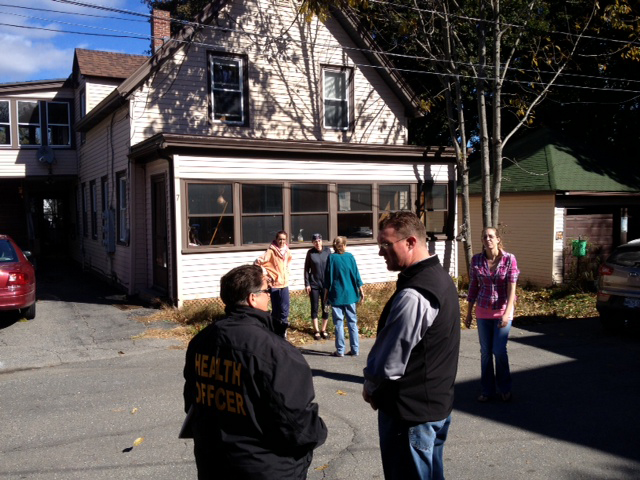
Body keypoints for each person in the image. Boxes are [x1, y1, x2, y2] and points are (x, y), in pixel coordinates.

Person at [183, 264, 328, 480]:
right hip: (265, 467)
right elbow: (296, 422)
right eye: (266, 291)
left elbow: (192, 401)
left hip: (213, 462)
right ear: (252, 299)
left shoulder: (201, 340)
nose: (269, 296)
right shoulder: (275, 351)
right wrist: (317, 433)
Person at [363, 211, 460, 480]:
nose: (381, 252)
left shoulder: (415, 293)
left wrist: (372, 386)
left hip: (411, 413)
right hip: (433, 407)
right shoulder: (439, 277)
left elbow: (390, 359)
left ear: (410, 242)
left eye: (386, 244)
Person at [464, 227, 519, 403]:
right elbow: (473, 287)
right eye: (485, 236)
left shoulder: (509, 259)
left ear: (497, 239)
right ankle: (487, 391)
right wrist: (468, 312)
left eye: (491, 236)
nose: (488, 239)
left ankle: (505, 388)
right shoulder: (477, 260)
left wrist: (507, 312)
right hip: (483, 311)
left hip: (503, 311)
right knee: (486, 352)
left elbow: (512, 289)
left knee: (499, 350)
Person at [323, 236, 364, 357]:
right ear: (344, 245)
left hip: (336, 295)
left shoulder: (331, 258)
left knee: (339, 323)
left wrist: (326, 296)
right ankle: (355, 349)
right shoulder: (350, 257)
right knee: (352, 322)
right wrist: (361, 290)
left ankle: (340, 350)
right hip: (350, 294)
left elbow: (327, 279)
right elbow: (356, 275)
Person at [255, 231, 292, 337]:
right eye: (280, 239)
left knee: (285, 309)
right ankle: (275, 331)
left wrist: (286, 272)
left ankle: (283, 329)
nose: (282, 241)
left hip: (284, 284)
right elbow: (258, 262)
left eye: (284, 239)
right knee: (276, 309)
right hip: (275, 284)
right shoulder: (271, 251)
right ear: (276, 239)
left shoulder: (287, 251)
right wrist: (266, 276)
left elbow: (288, 261)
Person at [303, 233, 331, 340]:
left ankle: (323, 329)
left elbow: (331, 266)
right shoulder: (310, 253)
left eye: (319, 241)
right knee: (314, 307)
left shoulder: (327, 251)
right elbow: (306, 269)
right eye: (315, 241)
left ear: (322, 241)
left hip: (326, 284)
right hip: (314, 284)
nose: (317, 243)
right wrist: (307, 284)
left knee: (326, 307)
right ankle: (316, 331)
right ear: (312, 243)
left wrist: (332, 281)